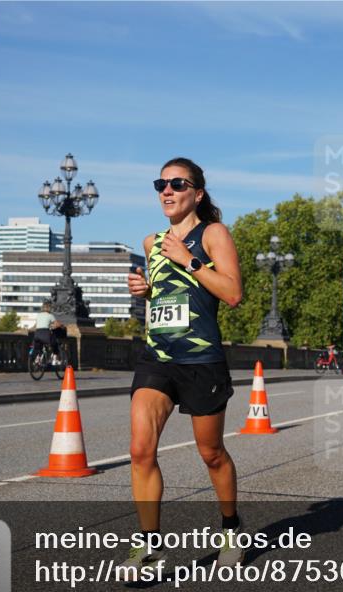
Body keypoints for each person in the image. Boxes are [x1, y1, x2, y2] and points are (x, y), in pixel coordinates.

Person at [125, 157, 244, 568]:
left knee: (211, 453)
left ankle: (230, 528)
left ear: (198, 193)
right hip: (157, 357)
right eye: (161, 184)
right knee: (140, 450)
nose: (167, 191)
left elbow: (232, 293)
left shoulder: (213, 234)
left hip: (201, 359)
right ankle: (149, 547)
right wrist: (145, 291)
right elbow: (168, 294)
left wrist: (188, 260)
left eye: (178, 184)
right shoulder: (151, 243)